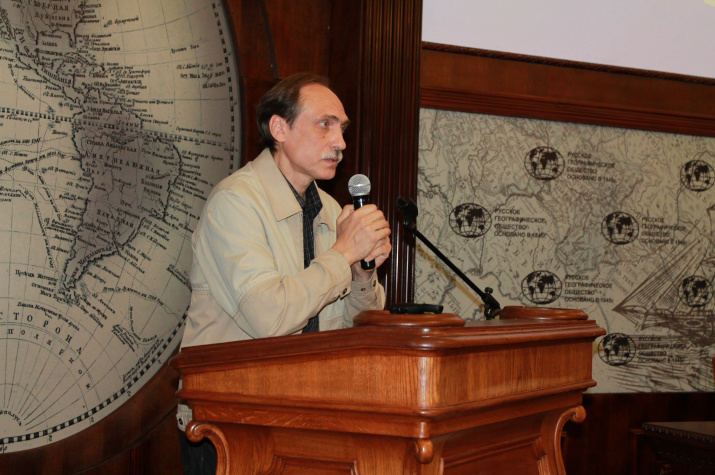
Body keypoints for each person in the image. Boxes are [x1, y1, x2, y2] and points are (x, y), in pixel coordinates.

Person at [177, 72, 392, 474]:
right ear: (279, 128)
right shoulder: (235, 202)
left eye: (342, 129)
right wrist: (343, 253)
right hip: (231, 424)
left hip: (309, 419)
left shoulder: (331, 210)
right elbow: (270, 317)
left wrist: (362, 275)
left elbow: (355, 333)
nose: (340, 142)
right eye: (325, 124)